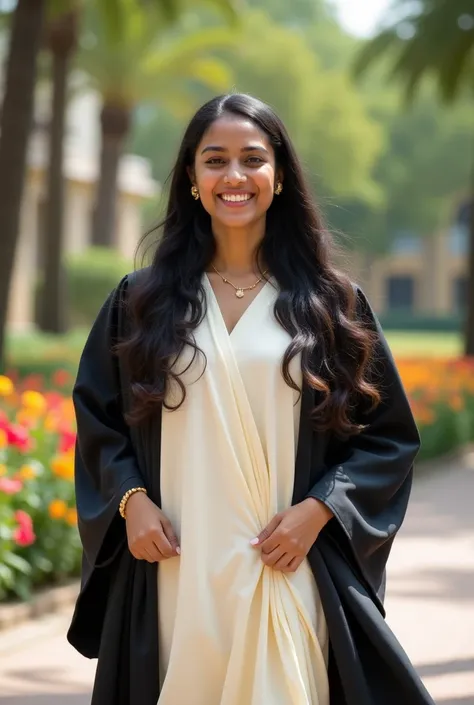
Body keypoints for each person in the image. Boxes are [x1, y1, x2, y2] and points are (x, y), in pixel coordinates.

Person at [67, 93, 435, 705]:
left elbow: (387, 437)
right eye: (215, 161)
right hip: (175, 571)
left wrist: (319, 510)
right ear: (191, 178)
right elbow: (99, 418)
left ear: (280, 176)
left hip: (284, 563)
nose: (233, 177)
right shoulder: (142, 302)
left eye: (252, 159)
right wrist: (130, 503)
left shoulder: (330, 306)